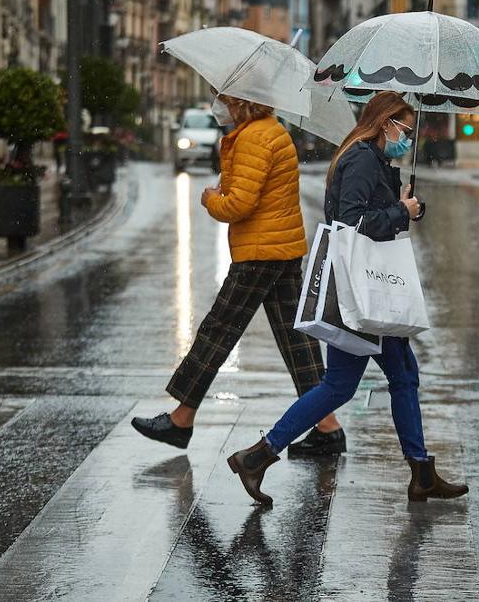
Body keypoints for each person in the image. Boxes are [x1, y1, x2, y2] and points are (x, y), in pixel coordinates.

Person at [225, 92, 468, 507]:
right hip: (362, 293)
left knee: (375, 380)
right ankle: (258, 456)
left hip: (366, 291)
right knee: (376, 379)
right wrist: (399, 213)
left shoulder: (373, 160)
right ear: (385, 123)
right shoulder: (359, 160)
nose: (407, 138)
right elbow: (350, 222)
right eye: (405, 130)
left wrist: (406, 204)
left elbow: (371, 212)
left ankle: (261, 456)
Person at [131, 94, 345, 455]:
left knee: (219, 329)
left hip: (260, 252)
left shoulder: (254, 137)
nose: (219, 106)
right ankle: (327, 426)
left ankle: (181, 419)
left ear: (241, 104)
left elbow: (238, 205)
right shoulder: (270, 131)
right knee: (296, 339)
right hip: (282, 247)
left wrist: (211, 198)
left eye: (225, 100)